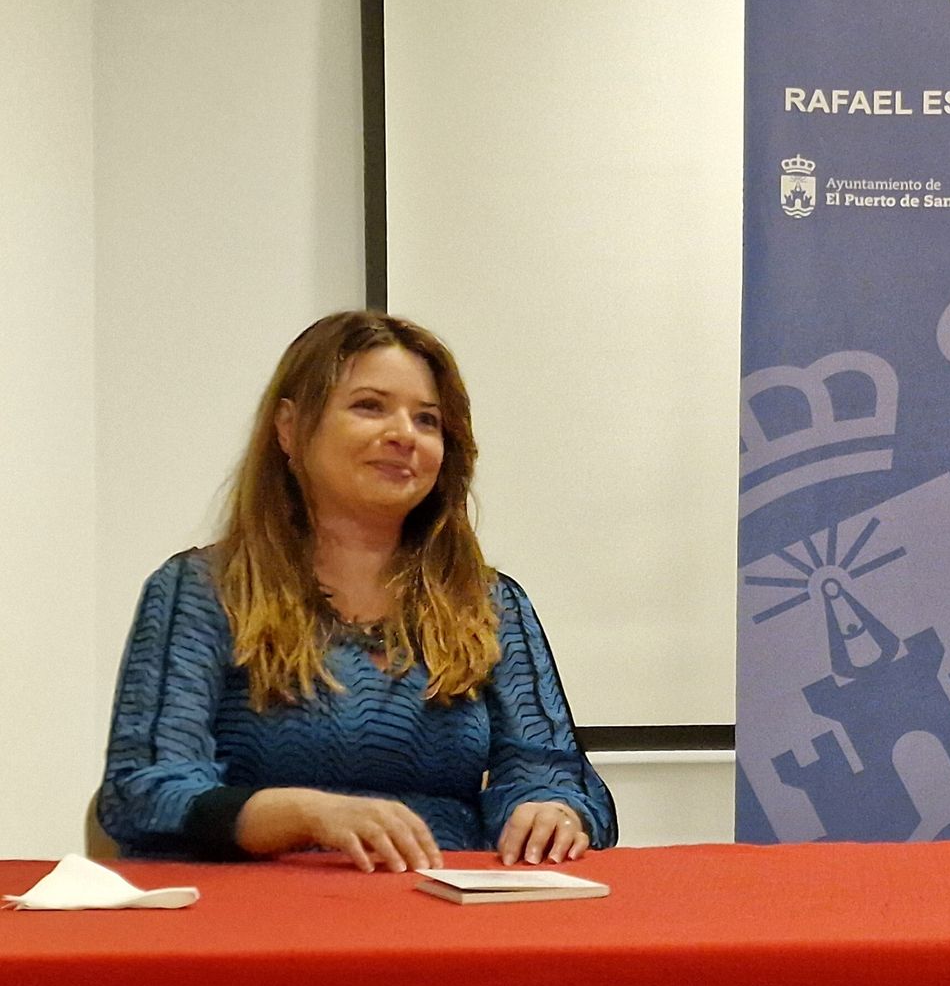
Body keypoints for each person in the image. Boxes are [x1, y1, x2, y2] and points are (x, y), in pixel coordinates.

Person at [98, 311, 617, 871]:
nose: (403, 435)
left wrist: (552, 810)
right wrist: (302, 815)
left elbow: (555, 773)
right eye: (369, 406)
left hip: (446, 906)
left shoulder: (492, 602)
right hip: (259, 912)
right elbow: (143, 793)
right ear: (289, 428)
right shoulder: (201, 590)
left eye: (427, 420)